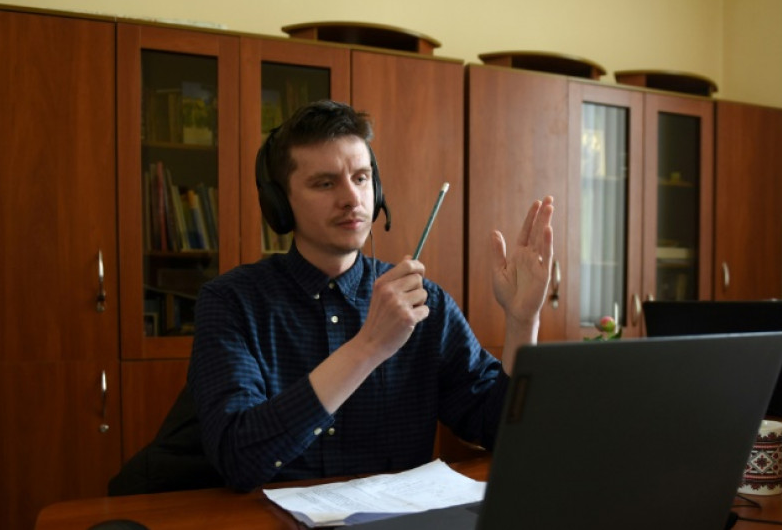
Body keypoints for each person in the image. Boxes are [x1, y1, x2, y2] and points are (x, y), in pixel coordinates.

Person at [187, 100, 554, 492]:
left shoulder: (424, 302)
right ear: (280, 204)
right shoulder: (231, 302)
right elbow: (238, 458)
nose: (352, 198)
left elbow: (501, 431)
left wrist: (521, 321)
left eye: (361, 178)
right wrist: (369, 346)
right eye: (325, 183)